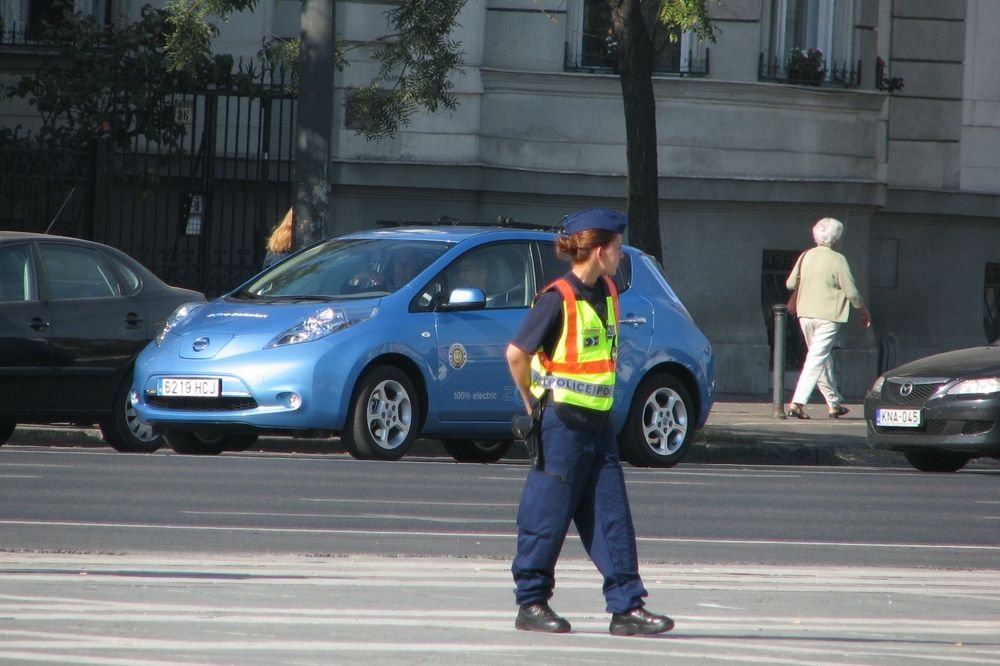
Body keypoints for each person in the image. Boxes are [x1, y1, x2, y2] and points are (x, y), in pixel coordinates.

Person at [504, 208, 674, 637]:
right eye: (617, 249)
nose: (621, 255)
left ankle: (627, 609)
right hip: (561, 424)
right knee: (547, 516)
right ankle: (532, 603)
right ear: (599, 251)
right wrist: (530, 399)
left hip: (599, 427)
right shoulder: (556, 298)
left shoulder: (609, 291)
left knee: (612, 518)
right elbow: (516, 354)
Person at [785, 217, 872, 420]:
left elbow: (790, 284)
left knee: (822, 358)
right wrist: (863, 310)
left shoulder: (806, 255)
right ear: (836, 239)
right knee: (817, 358)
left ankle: (834, 403)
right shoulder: (838, 259)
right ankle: (797, 403)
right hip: (828, 316)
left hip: (805, 314)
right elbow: (851, 291)